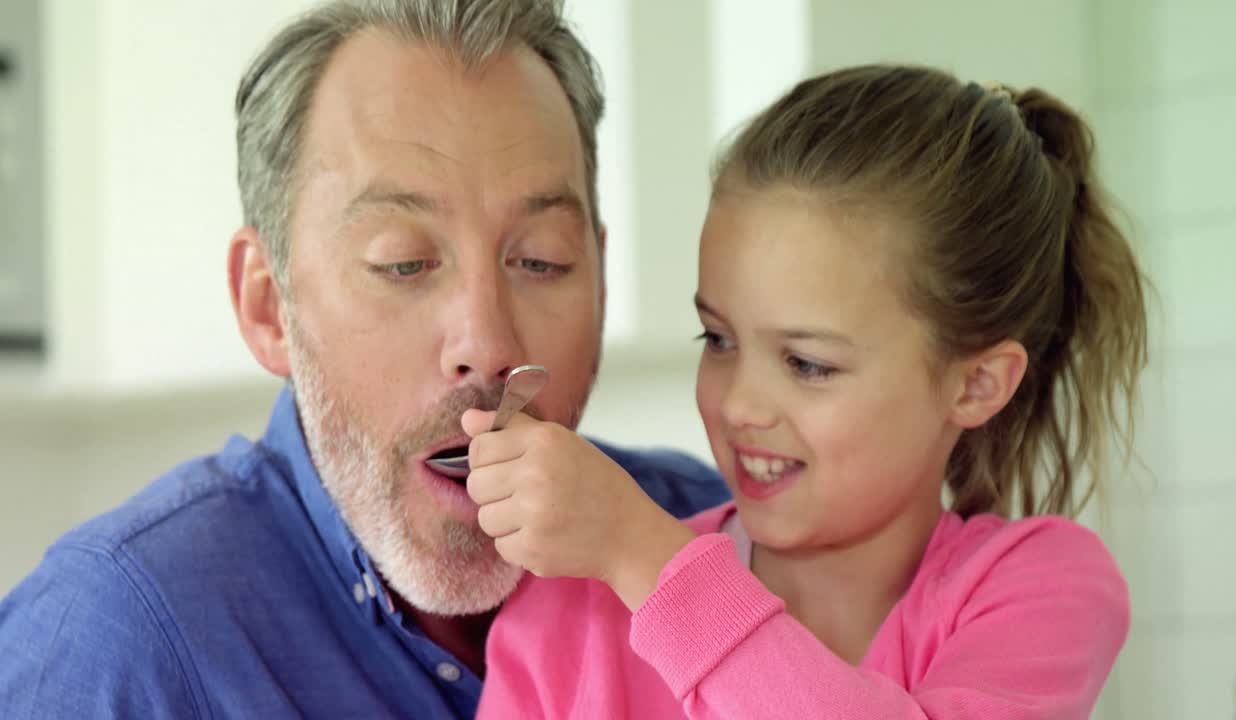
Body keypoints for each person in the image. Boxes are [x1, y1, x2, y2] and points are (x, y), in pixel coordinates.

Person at [0, 1, 727, 717]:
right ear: (267, 305)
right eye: (405, 263)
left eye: (540, 260)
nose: (488, 344)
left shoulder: (718, 541)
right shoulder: (111, 642)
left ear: (601, 273)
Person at [470, 64, 1149, 719]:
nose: (739, 404)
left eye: (807, 364)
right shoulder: (572, 610)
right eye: (719, 340)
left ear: (976, 384)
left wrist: (644, 556)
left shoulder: (1042, 591)